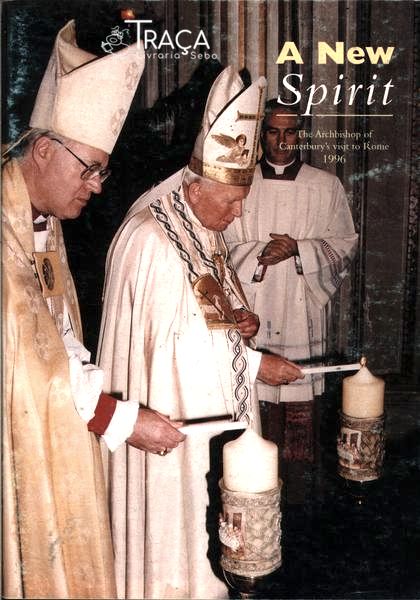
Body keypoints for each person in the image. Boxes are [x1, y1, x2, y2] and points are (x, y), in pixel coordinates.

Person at [98, 67, 304, 599]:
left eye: (243, 198)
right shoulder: (152, 240)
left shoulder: (200, 226)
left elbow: (207, 311)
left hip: (211, 410)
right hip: (173, 421)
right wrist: (254, 363)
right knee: (179, 536)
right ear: (192, 186)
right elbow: (173, 348)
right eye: (231, 200)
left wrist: (242, 321)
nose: (239, 212)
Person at [2, 20, 185, 599]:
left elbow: (55, 335)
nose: (98, 186)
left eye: (102, 171)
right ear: (45, 150)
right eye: (90, 168)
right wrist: (119, 420)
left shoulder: (43, 219)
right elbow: (23, 362)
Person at [224, 99, 359, 406]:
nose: (282, 141)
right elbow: (219, 244)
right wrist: (262, 253)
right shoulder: (241, 183)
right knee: (251, 396)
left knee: (300, 402)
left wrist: (299, 249)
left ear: (301, 134)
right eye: (273, 132)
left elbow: (344, 243)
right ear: (261, 134)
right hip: (252, 303)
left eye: (290, 132)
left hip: (301, 304)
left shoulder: (326, 185)